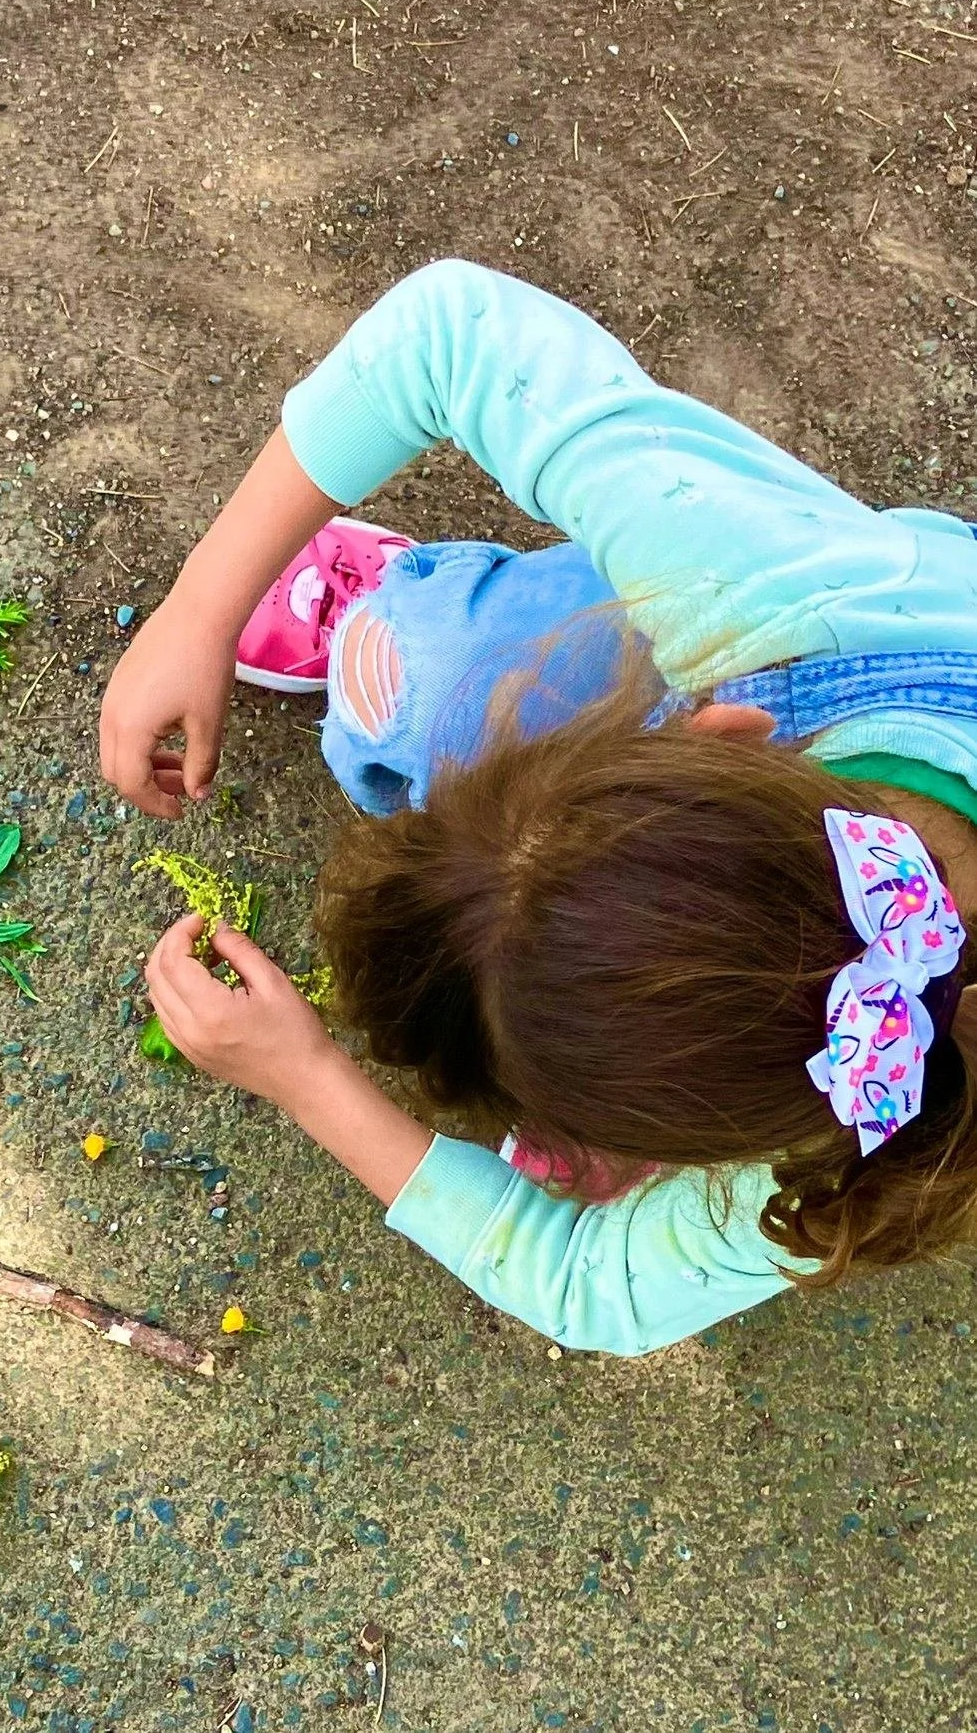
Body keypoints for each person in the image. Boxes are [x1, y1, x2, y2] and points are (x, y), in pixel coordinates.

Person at [99, 258, 977, 1355]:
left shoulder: (851, 1119)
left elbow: (587, 1292)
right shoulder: (771, 584)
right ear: (726, 728)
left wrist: (308, 1077)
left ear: (722, 728)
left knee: (403, 686)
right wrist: (200, 608)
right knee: (404, 675)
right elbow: (448, 332)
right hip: (890, 614)